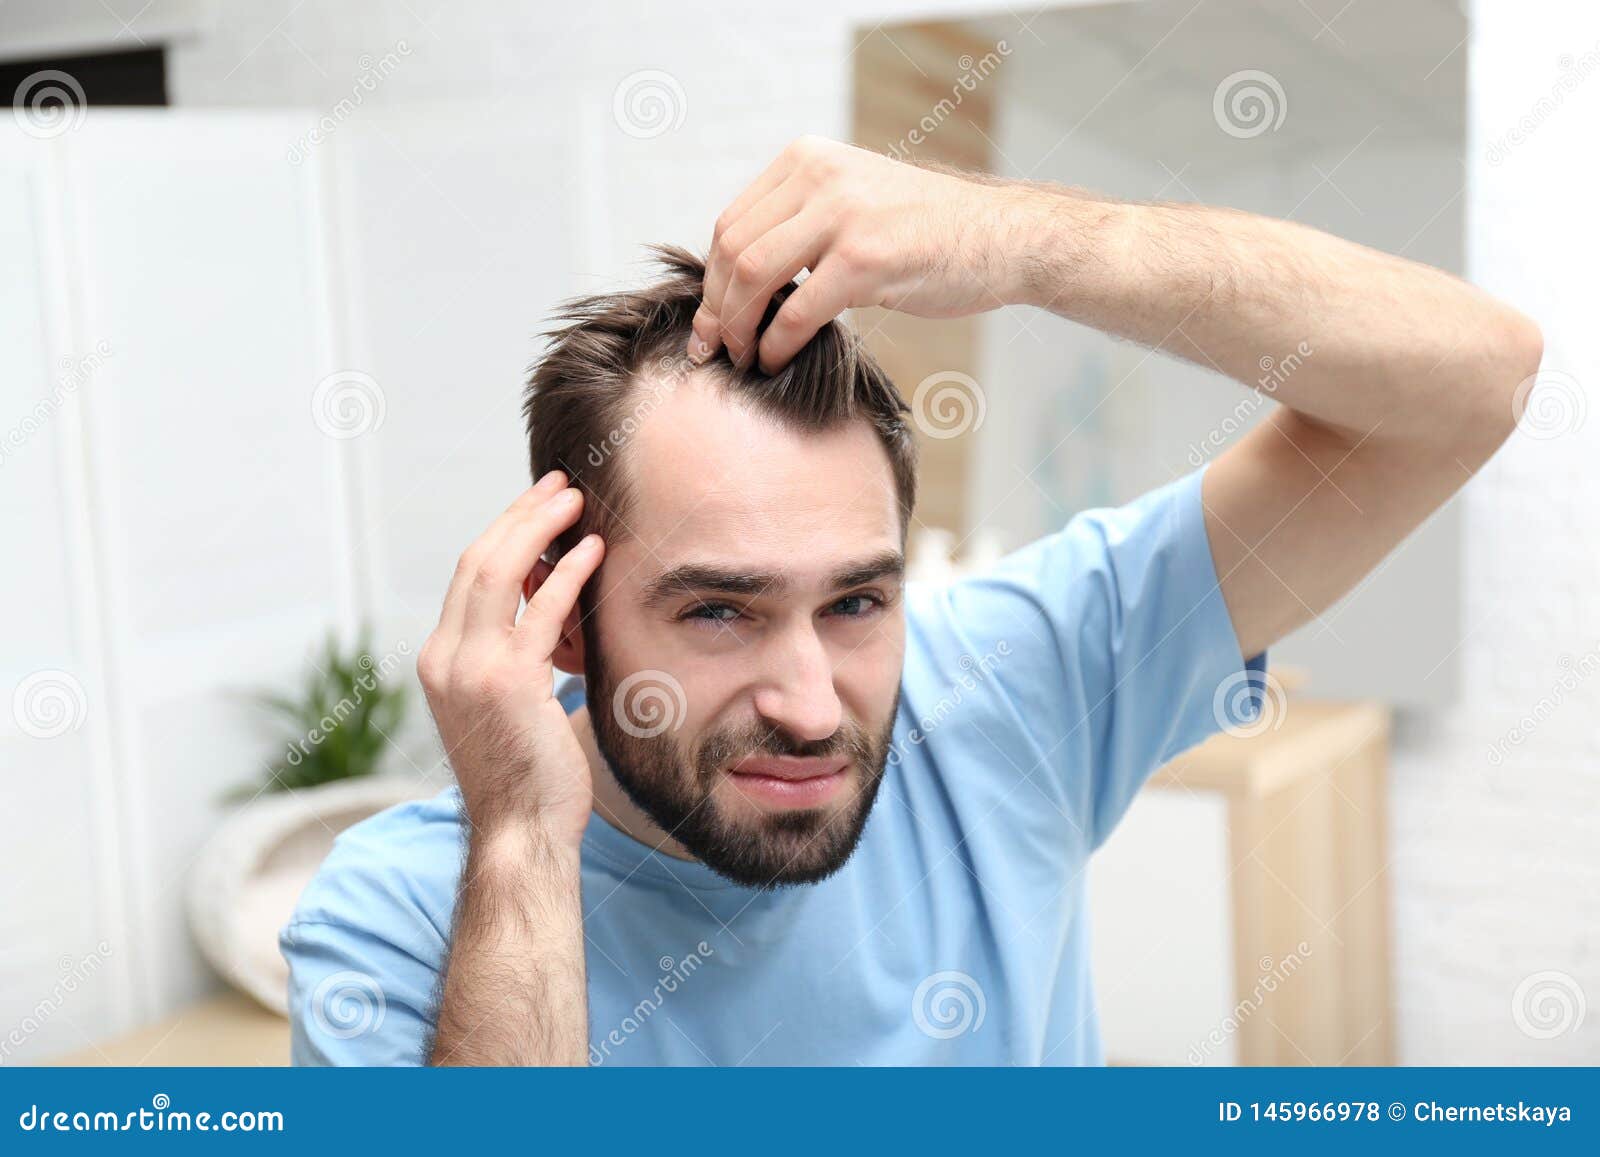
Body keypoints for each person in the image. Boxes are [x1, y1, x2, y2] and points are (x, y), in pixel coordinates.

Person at [282, 137, 1541, 1065]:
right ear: (563, 615)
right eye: (718, 611)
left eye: (855, 602)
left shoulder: (1011, 686)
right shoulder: (399, 921)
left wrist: (1030, 242)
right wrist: (521, 840)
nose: (809, 704)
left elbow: (1474, 381)